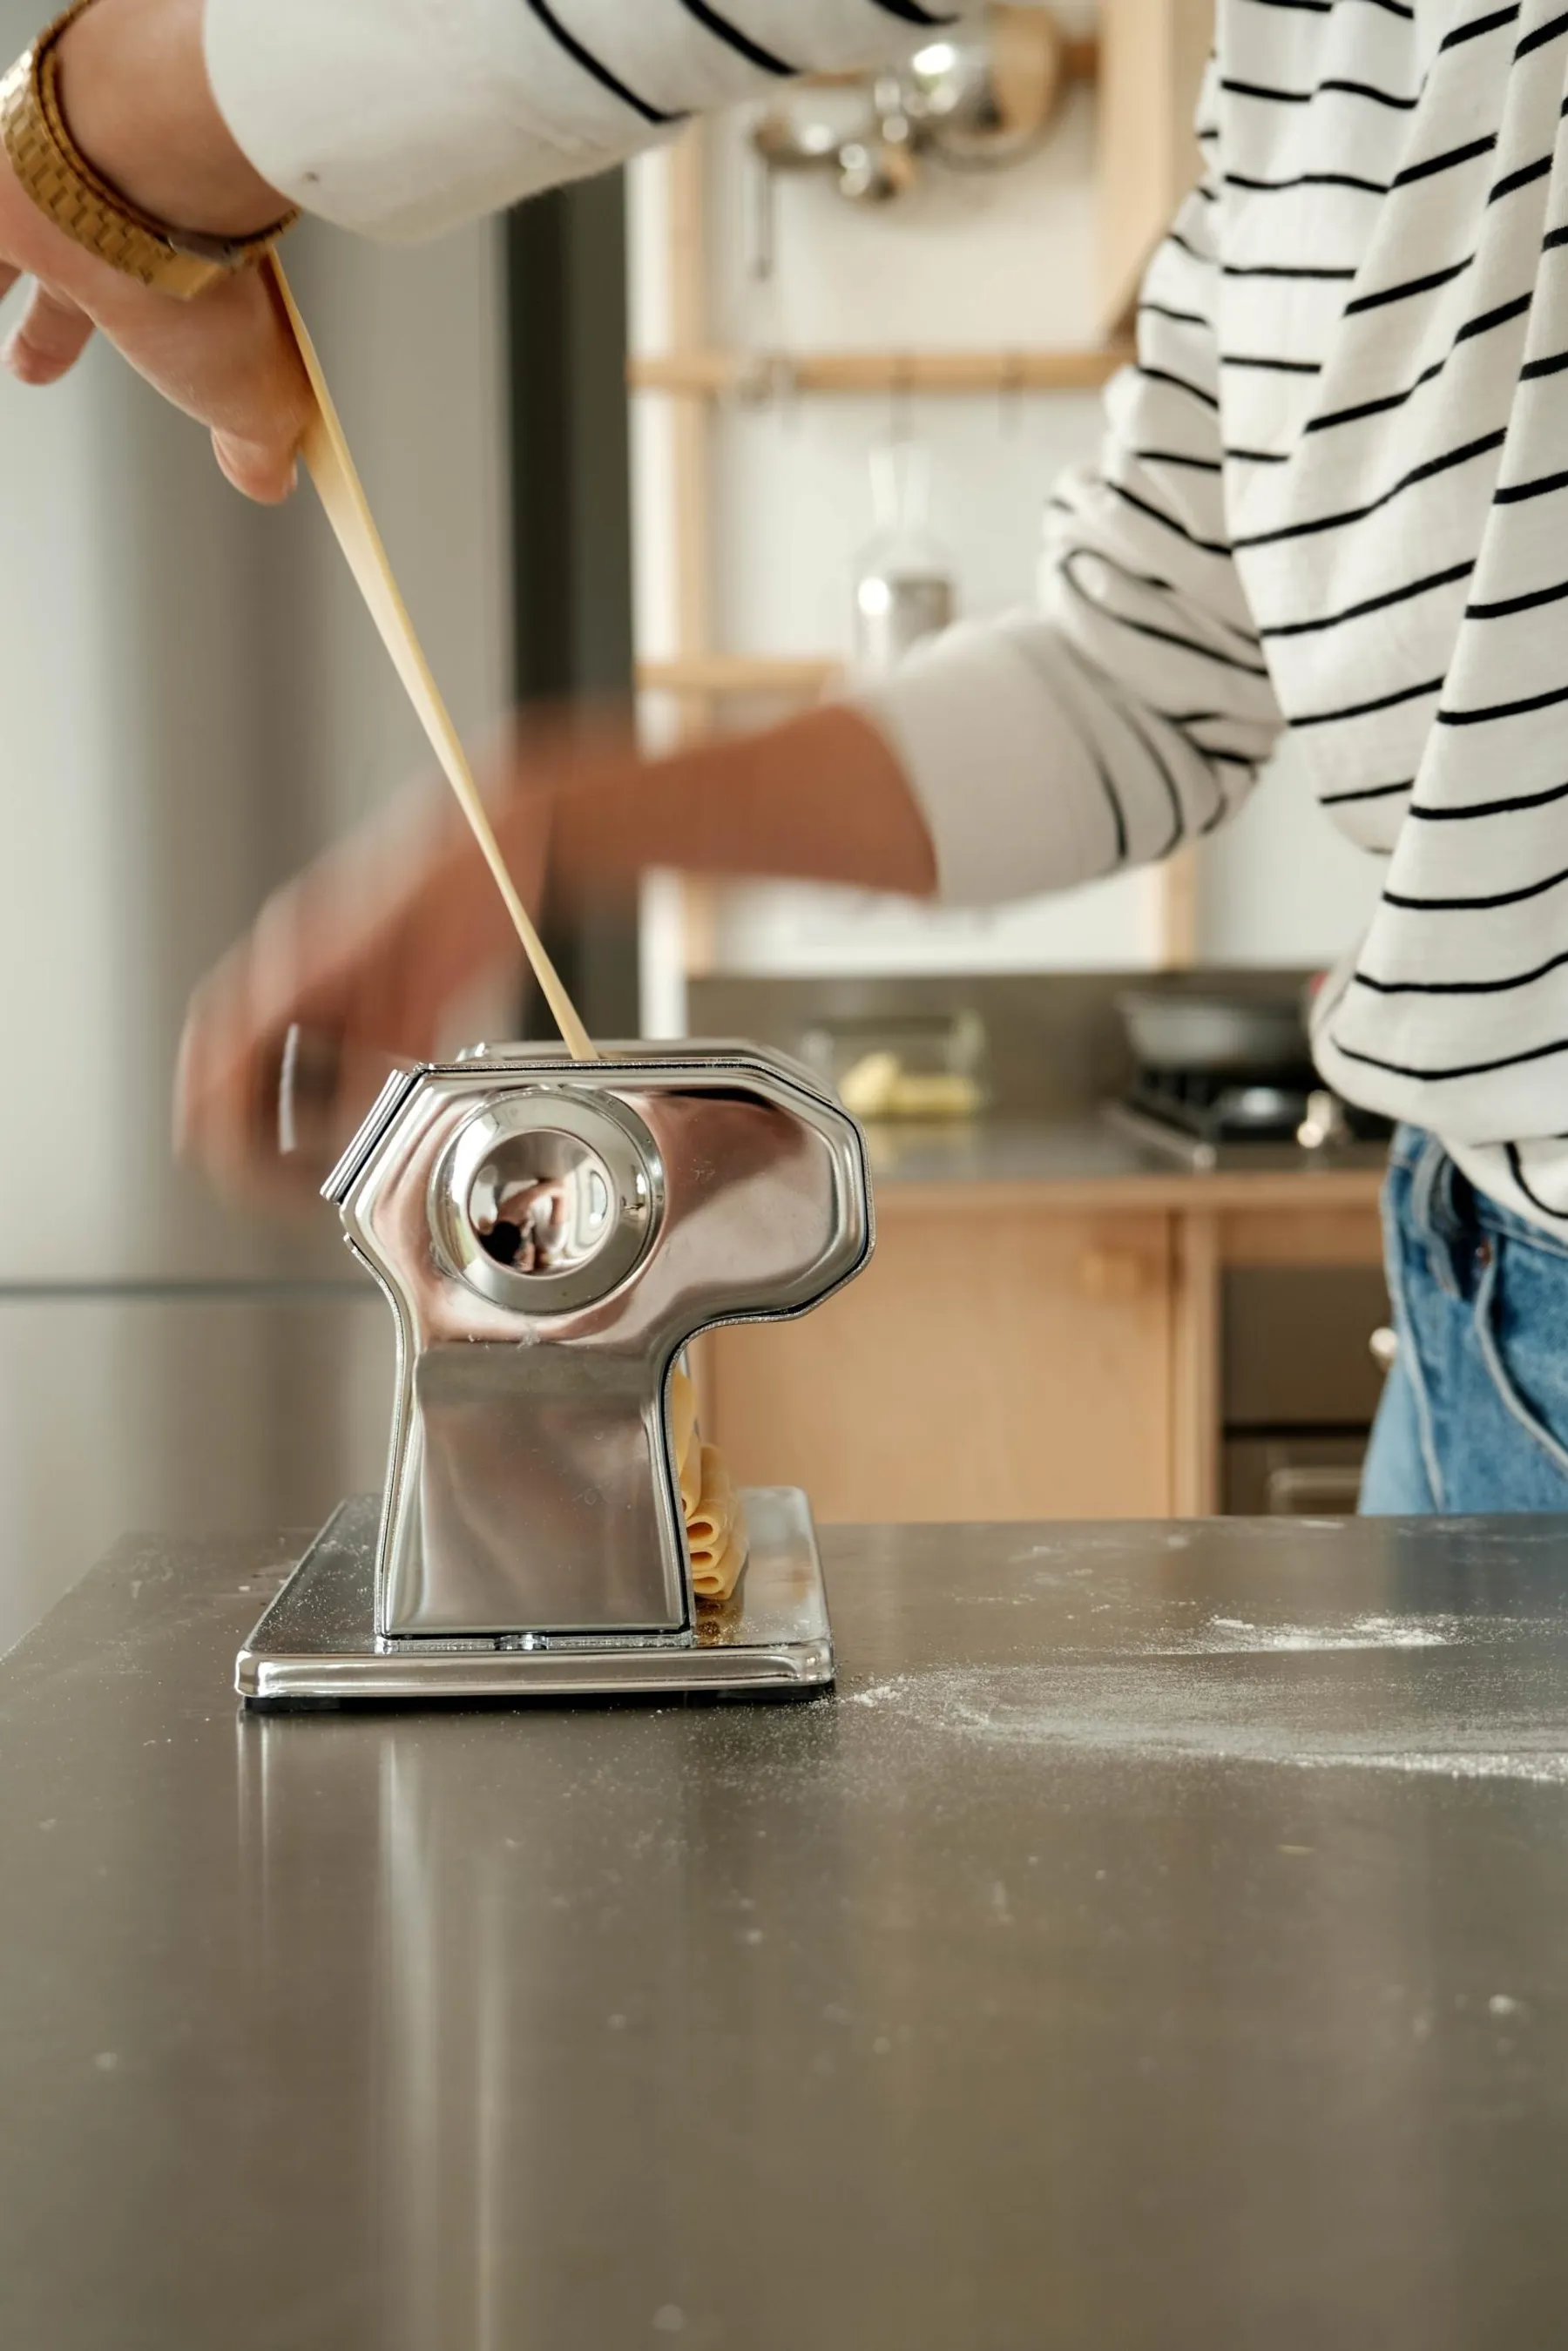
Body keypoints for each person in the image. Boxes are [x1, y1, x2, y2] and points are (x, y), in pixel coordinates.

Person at [7, 2, 1568, 1515]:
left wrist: (131, 118)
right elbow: (1137, 678)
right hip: (1472, 1277)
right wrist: (529, 819)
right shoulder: (1294, 69)